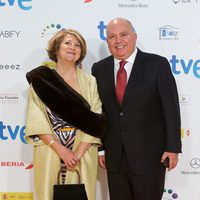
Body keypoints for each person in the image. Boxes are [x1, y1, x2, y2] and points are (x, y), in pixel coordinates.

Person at [92, 17, 182, 200]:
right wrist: (101, 149)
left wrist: (172, 147)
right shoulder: (99, 69)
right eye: (112, 36)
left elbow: (171, 108)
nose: (118, 41)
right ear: (107, 41)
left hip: (150, 156)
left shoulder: (157, 64)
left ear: (134, 36)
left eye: (123, 35)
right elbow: (98, 112)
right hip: (114, 157)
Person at [25, 29, 107, 200]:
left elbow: (97, 120)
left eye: (77, 45)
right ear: (56, 49)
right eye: (68, 43)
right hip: (50, 149)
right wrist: (60, 149)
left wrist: (76, 153)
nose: (73, 47)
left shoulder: (90, 81)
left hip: (82, 152)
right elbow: (36, 119)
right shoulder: (42, 79)